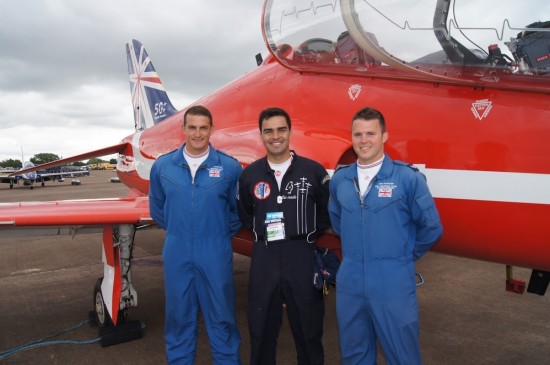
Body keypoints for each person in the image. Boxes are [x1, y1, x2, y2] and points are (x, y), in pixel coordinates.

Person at [328, 107, 443, 365]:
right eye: (358, 134)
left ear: (384, 136)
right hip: (351, 279)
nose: (364, 140)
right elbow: (337, 220)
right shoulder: (341, 180)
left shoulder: (407, 179)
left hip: (393, 280)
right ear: (351, 137)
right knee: (354, 353)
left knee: (402, 354)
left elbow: (431, 227)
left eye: (371, 133)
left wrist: (404, 256)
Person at [149, 105, 243, 364]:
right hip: (177, 249)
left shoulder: (230, 168)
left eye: (204, 127)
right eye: (192, 127)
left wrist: (216, 234)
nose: (198, 133)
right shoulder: (163, 167)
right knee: (178, 316)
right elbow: (158, 209)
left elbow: (237, 213)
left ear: (212, 129)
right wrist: (181, 231)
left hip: (215, 250)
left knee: (222, 317)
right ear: (184, 129)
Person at [237, 107, 331, 365]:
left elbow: (325, 213)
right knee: (261, 330)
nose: (275, 136)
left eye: (281, 129)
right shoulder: (250, 175)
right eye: (268, 131)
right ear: (261, 135)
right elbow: (245, 213)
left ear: (290, 132)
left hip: (302, 256)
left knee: (309, 331)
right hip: (264, 257)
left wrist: (304, 235)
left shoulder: (313, 172)